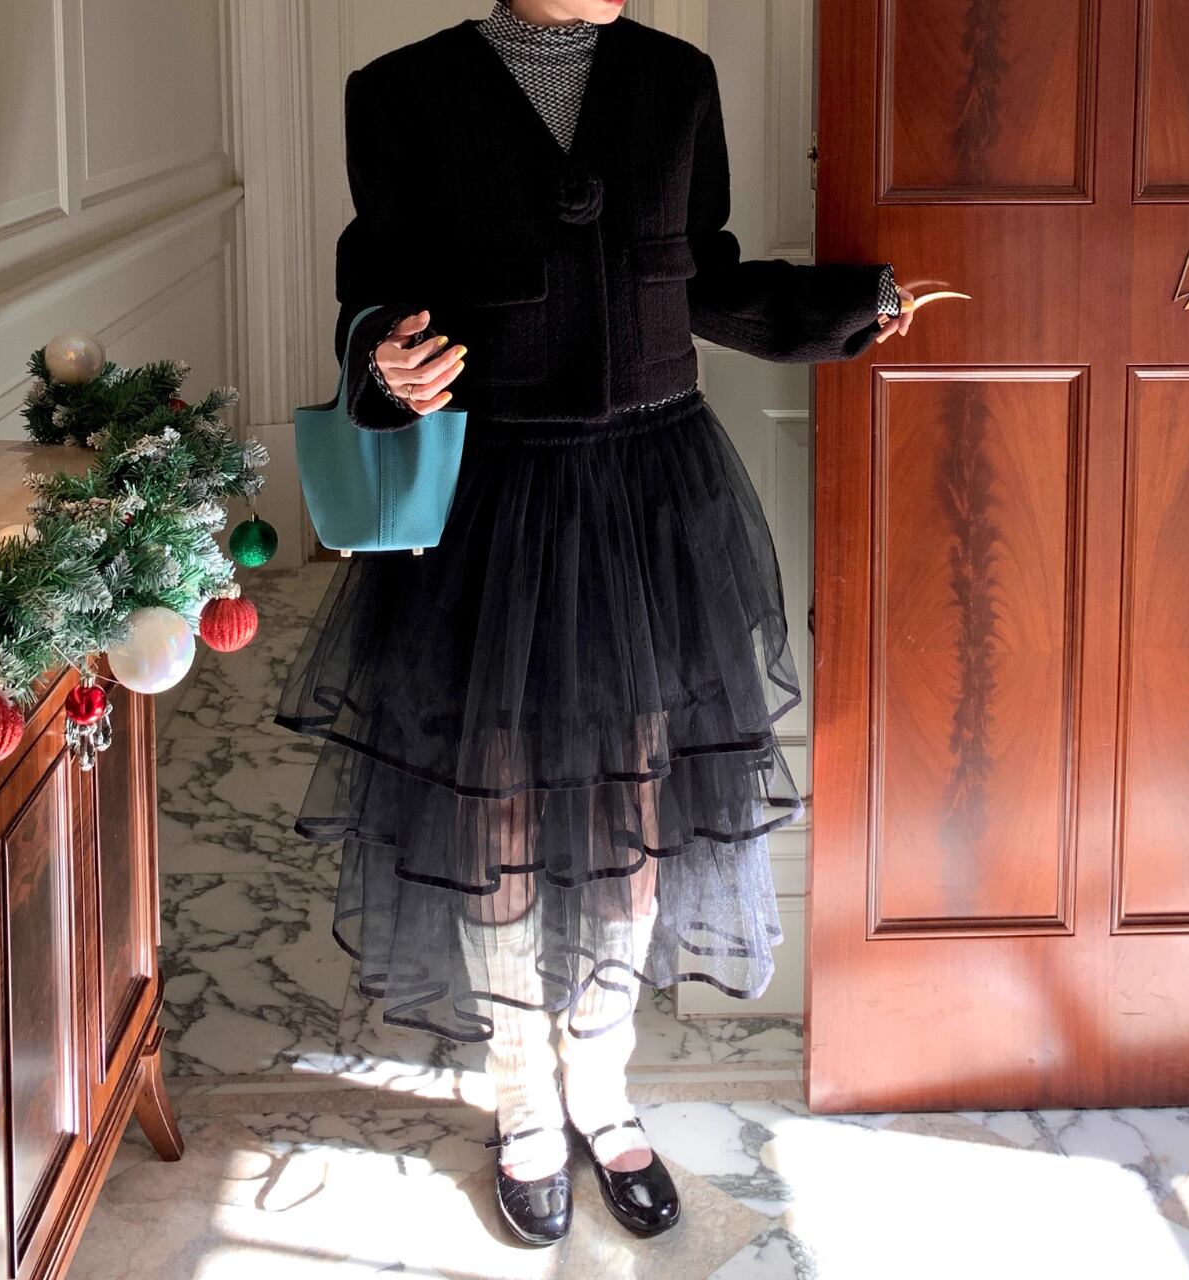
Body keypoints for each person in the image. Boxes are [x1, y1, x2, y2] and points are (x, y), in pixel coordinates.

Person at [275, 0, 915, 1248]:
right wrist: (381, 366)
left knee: (633, 805)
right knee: (498, 806)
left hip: (651, 494)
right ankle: (522, 1093)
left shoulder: (675, 78)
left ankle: (601, 1082)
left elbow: (704, 274)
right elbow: (375, 297)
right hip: (494, 500)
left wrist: (850, 305)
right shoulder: (400, 89)